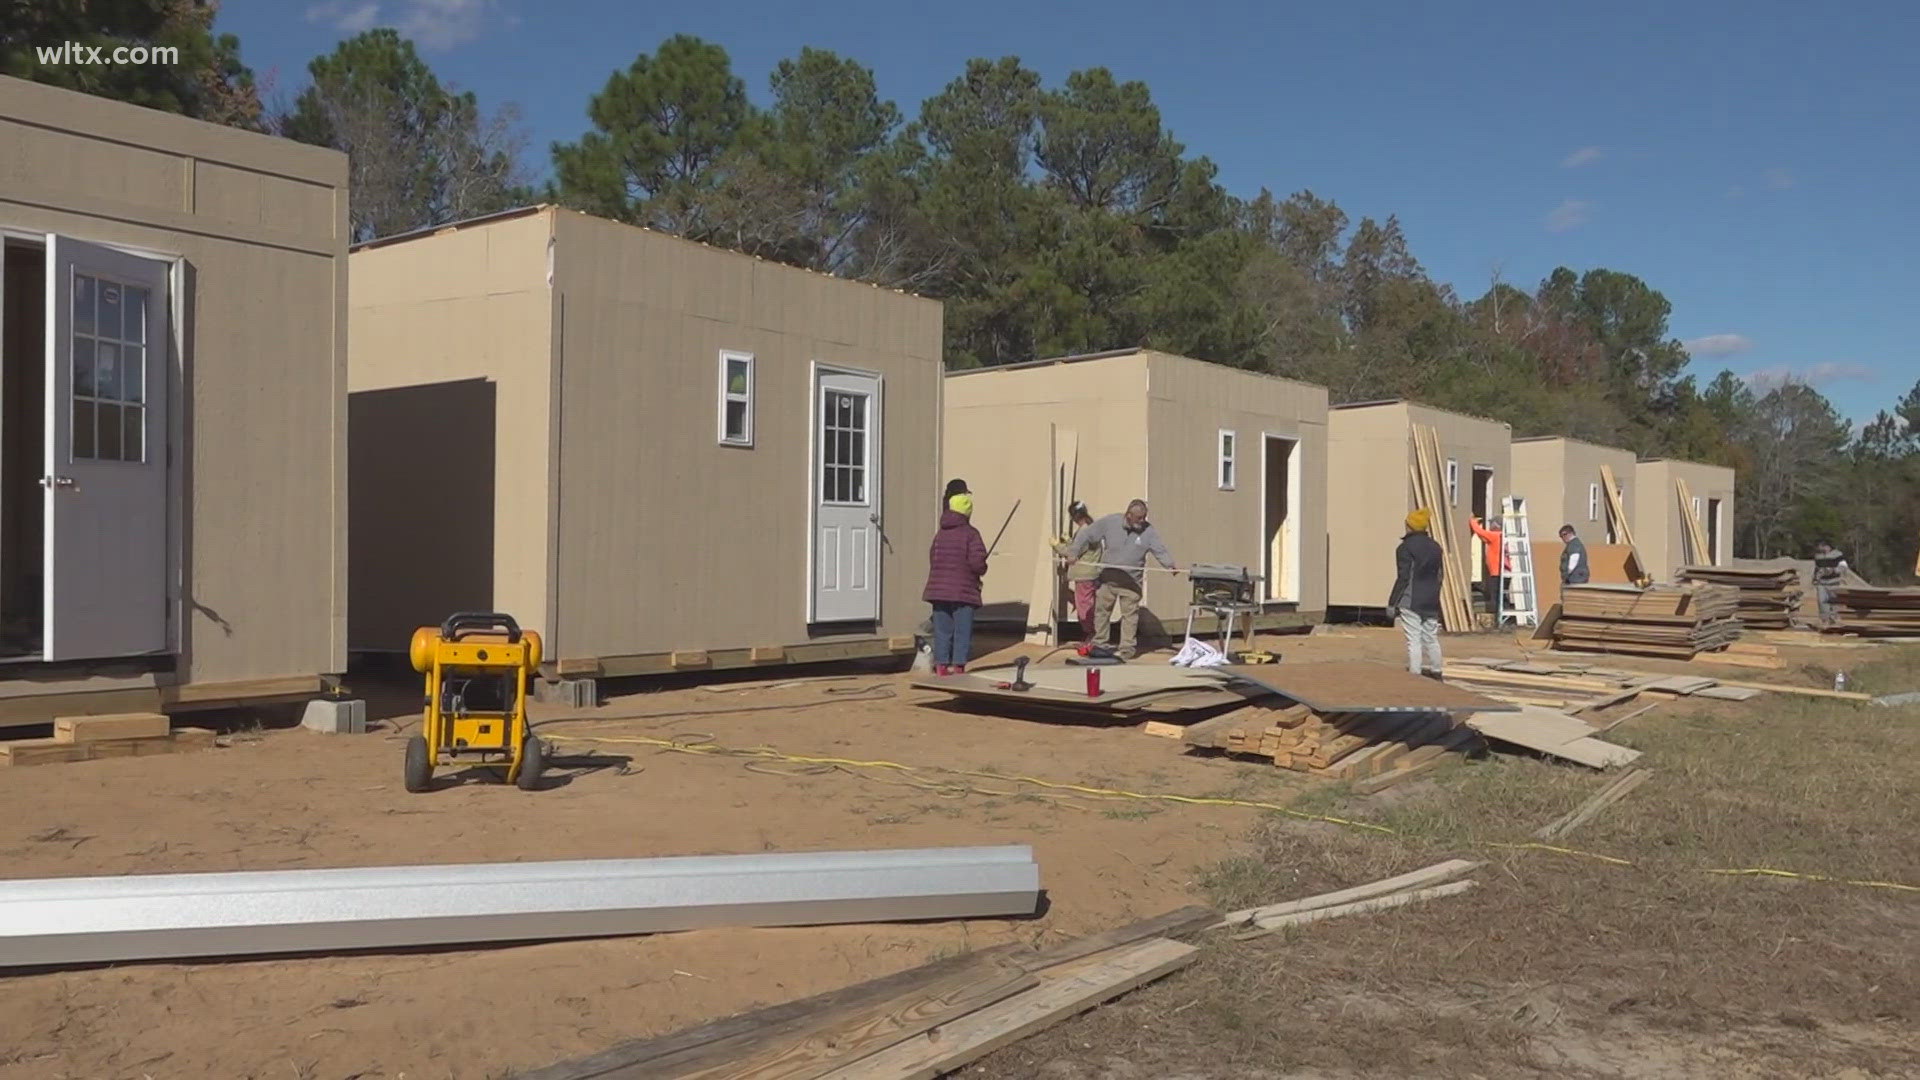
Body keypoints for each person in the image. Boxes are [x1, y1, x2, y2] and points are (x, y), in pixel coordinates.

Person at [1062, 499, 1177, 660]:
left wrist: (1170, 565)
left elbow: (1159, 549)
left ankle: (1127, 649)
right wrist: (1073, 552)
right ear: (1129, 515)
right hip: (1108, 579)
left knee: (1130, 616)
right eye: (1139, 518)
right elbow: (1087, 535)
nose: (1143, 521)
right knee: (1101, 612)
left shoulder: (1148, 531)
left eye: (1144, 517)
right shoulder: (1111, 522)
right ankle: (1100, 643)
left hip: (1131, 583)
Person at [923, 492, 988, 675]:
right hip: (963, 591)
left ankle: (941, 666)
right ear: (968, 512)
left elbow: (932, 558)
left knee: (942, 630)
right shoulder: (971, 534)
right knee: (962, 630)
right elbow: (977, 563)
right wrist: (983, 567)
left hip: (938, 590)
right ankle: (959, 665)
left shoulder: (940, 534)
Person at [1387, 509, 1445, 679]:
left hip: (1411, 600)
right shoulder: (1436, 547)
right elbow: (1440, 576)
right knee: (1431, 638)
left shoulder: (1405, 548)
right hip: (1431, 599)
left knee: (1414, 639)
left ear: (1409, 526)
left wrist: (1392, 603)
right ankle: (1437, 672)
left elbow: (1403, 577)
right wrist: (1435, 595)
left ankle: (1415, 675)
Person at [1053, 501, 1101, 638]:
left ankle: (1091, 634)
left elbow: (1072, 552)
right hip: (1091, 574)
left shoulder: (1084, 531)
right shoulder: (1091, 527)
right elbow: (1082, 548)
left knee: (1084, 607)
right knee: (1086, 603)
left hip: (1084, 575)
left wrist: (1057, 546)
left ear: (1074, 517)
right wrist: (1069, 541)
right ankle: (1092, 633)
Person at [1467, 514, 1511, 617]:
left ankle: (1498, 617)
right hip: (1504, 572)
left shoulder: (1495, 535)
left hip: (1497, 572)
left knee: (1495, 596)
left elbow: (1481, 532)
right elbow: (1483, 537)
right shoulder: (1501, 537)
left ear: (1496, 525)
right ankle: (1505, 616)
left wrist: (1473, 522)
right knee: (1503, 595)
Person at [1812, 540, 1851, 627]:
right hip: (1821, 582)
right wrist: (1815, 578)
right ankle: (1824, 620)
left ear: (1827, 546)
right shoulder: (1818, 556)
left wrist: (1833, 570)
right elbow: (1817, 568)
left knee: (1833, 601)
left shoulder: (1838, 555)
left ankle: (1834, 619)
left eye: (1821, 546)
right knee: (1822, 601)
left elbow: (1844, 566)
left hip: (1834, 582)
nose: (1820, 548)